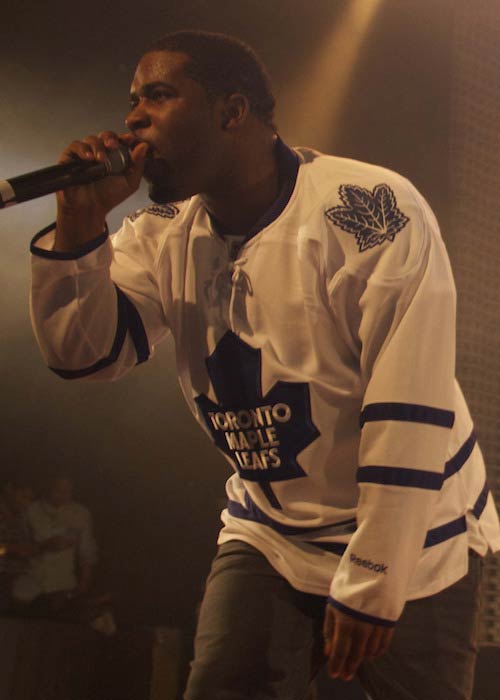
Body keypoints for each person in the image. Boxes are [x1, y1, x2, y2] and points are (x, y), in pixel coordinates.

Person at [28, 30, 500, 700]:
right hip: (274, 533)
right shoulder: (163, 229)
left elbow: (408, 404)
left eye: (158, 95)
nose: (132, 118)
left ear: (232, 111)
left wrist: (373, 574)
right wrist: (79, 229)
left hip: (418, 532)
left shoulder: (369, 210)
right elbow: (81, 352)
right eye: (132, 101)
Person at [18, 473, 97, 612]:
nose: (62, 496)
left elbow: (86, 552)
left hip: (63, 585)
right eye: (58, 491)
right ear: (48, 488)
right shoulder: (30, 511)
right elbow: (21, 548)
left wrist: (84, 584)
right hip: (31, 583)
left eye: (67, 492)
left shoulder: (80, 514)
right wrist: (45, 545)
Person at [0, 474, 36, 612]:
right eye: (23, 497)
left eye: (30, 499)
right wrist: (10, 549)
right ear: (9, 490)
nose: (26, 503)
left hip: (15, 583)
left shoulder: (22, 517)